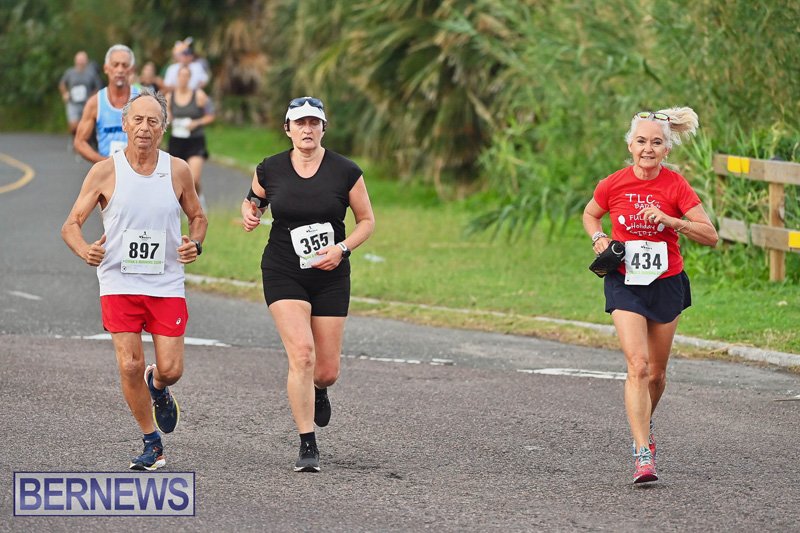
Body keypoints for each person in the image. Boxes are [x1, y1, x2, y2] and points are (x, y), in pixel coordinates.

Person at [61, 88, 207, 470]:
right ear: (125, 124)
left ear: (163, 128)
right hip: (119, 282)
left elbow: (198, 216)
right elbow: (70, 225)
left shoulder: (177, 170)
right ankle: (151, 441)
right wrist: (85, 250)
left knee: (172, 368)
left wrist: (196, 243)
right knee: (128, 364)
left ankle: (157, 385)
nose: (144, 127)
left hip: (165, 282)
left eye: (152, 121)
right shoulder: (105, 171)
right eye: (137, 120)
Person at [582, 107, 718, 484]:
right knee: (638, 365)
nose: (647, 148)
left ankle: (646, 420)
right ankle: (642, 452)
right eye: (641, 141)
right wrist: (599, 238)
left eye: (656, 142)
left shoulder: (676, 186)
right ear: (630, 145)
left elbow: (710, 234)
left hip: (666, 282)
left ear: (666, 149)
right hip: (624, 281)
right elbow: (591, 214)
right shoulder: (612, 184)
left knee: (656, 375)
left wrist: (673, 221)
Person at [241, 96, 375, 472]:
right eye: (299, 123)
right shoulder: (270, 168)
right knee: (302, 353)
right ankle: (307, 444)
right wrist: (250, 213)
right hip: (284, 269)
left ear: (323, 128)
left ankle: (320, 390)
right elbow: (255, 200)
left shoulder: (345, 171)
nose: (307, 129)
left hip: (331, 273)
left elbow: (366, 220)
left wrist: (343, 249)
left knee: (326, 369)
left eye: (314, 123)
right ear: (288, 129)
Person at [74, 44, 140, 163]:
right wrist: (104, 162)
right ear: (106, 68)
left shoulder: (142, 99)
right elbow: (79, 142)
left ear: (131, 70)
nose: (120, 70)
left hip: (136, 169)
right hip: (107, 172)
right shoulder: (95, 102)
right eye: (115, 65)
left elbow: (157, 133)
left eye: (125, 65)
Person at [166, 64, 215, 211]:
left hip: (195, 141)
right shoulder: (170, 96)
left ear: (190, 78)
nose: (183, 79)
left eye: (186, 76)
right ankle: (179, 208)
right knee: (175, 179)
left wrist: (197, 122)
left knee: (194, 178)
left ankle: (199, 199)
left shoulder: (198, 95)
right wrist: (168, 117)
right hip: (177, 141)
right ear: (177, 78)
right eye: (181, 76)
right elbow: (165, 114)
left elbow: (210, 115)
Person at [59, 51, 102, 141]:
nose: (81, 62)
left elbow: (98, 87)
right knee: (73, 125)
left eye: (83, 60)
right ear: (75, 61)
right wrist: (65, 94)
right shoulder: (70, 72)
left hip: (86, 103)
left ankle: (85, 141)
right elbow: (62, 84)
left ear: (86, 61)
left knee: (87, 124)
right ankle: (75, 138)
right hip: (73, 103)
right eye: (79, 60)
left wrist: (92, 97)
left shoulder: (91, 73)